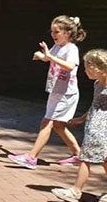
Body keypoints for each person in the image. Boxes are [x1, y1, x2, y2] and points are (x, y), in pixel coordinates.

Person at [51, 49, 107, 202]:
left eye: (88, 67)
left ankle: (75, 191)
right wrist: (81, 119)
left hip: (105, 130)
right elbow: (95, 106)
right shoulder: (97, 84)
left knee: (85, 158)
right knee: (106, 161)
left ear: (98, 68)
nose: (85, 71)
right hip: (94, 128)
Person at [10, 16, 85, 169]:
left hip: (66, 93)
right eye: (52, 31)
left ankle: (31, 157)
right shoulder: (57, 46)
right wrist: (41, 56)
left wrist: (50, 57)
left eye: (56, 32)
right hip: (56, 90)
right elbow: (48, 58)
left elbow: (70, 66)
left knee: (47, 122)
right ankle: (78, 155)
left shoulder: (71, 49)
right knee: (58, 125)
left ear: (68, 33)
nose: (53, 35)